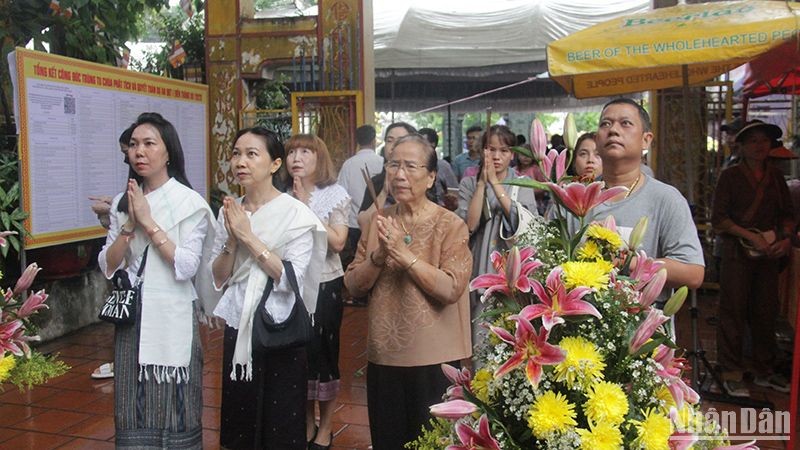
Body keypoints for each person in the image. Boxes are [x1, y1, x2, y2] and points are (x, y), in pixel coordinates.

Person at [344, 134, 472, 450]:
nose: (399, 174)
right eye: (393, 164)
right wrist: (378, 257)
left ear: (431, 177)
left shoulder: (450, 224)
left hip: (436, 358)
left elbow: (452, 288)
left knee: (434, 442)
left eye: (410, 166)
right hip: (385, 353)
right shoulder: (378, 220)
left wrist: (407, 257)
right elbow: (352, 284)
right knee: (389, 440)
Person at [97, 112, 216, 448]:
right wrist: (129, 225)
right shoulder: (125, 203)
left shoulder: (189, 203)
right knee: (131, 400)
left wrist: (149, 222)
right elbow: (107, 264)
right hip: (133, 316)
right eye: (134, 144)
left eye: (149, 143)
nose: (139, 151)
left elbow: (187, 266)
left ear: (168, 152)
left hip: (173, 311)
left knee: (177, 399)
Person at [211, 127, 327, 449]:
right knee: (240, 409)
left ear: (275, 164)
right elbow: (219, 276)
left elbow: (292, 279)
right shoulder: (230, 212)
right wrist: (232, 240)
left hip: (280, 325)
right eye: (236, 153)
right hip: (239, 322)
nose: (240, 162)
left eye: (251, 154)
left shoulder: (296, 215)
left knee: (280, 415)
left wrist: (248, 236)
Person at [586, 98, 705, 293]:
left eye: (625, 123)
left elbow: (693, 273)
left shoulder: (666, 199)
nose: (613, 130)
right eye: (605, 124)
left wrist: (630, 262)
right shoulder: (576, 198)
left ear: (646, 140)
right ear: (597, 140)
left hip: (644, 319)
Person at [712, 121, 795, 397]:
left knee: (766, 312)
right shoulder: (730, 176)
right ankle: (730, 371)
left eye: (764, 141)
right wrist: (750, 235)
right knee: (733, 312)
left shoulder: (777, 177)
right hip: (736, 254)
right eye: (753, 141)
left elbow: (787, 214)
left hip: (768, 256)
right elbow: (719, 219)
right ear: (742, 146)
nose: (759, 146)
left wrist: (784, 238)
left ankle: (764, 370)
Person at [284, 134, 351, 450]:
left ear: (319, 158)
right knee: (297, 355)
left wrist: (306, 210)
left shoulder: (334, 195)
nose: (296, 157)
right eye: (292, 152)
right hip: (290, 283)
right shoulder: (281, 196)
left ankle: (325, 426)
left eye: (305, 151)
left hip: (325, 282)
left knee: (323, 354)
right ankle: (306, 421)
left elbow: (338, 242)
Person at [457, 125, 537, 344]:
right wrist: (483, 183)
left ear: (512, 154)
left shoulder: (523, 183)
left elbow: (524, 224)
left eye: (503, 151)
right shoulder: (469, 183)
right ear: (482, 151)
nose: (496, 156)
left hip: (513, 270)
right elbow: (469, 225)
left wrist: (495, 183)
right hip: (479, 264)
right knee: (481, 331)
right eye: (490, 149)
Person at [90, 123, 136, 381]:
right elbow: (114, 246)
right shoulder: (125, 194)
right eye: (131, 147)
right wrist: (113, 213)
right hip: (126, 274)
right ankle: (122, 361)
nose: (130, 156)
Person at [337, 125, 384, 269]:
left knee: (359, 262)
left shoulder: (348, 164)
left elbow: (341, 195)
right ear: (374, 140)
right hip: (381, 221)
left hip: (354, 224)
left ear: (357, 141)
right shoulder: (382, 162)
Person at [356, 122, 416, 229]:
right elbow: (363, 224)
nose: (393, 145)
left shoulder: (420, 178)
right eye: (389, 140)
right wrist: (384, 191)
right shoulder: (376, 182)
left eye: (400, 140)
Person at [418, 127, 458, 210]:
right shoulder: (412, 166)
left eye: (421, 143)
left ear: (433, 145)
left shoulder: (443, 166)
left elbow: (454, 192)